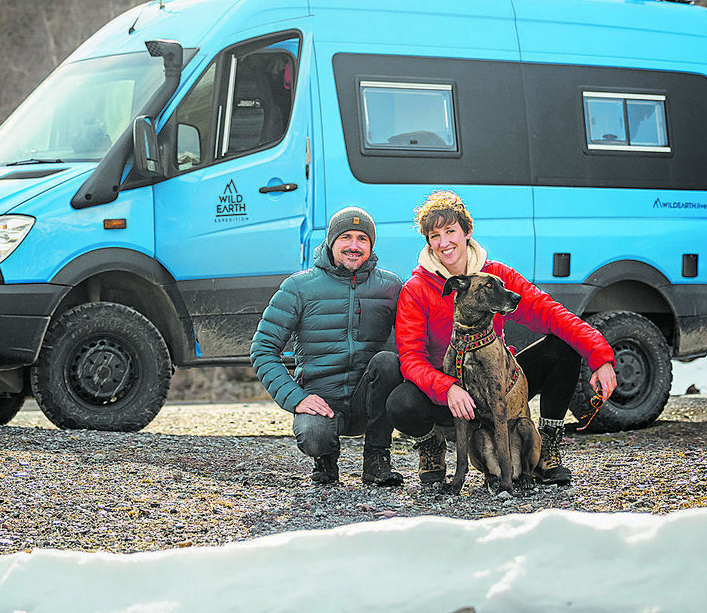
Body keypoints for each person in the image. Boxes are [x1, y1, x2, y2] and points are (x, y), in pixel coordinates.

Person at [391, 190, 620, 488]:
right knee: (401, 401)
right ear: (428, 241)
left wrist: (600, 357)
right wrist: (447, 388)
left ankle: (547, 447)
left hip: (499, 385)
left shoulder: (496, 276)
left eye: (450, 231)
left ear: (467, 232)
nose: (444, 242)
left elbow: (550, 313)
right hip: (453, 397)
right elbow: (411, 357)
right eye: (435, 235)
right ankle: (432, 447)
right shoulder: (417, 288)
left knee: (562, 345)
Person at [251, 206, 405, 486]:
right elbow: (262, 349)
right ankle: (325, 459)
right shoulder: (299, 287)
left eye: (362, 239)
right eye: (346, 237)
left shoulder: (390, 287)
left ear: (371, 245)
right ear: (332, 241)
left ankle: (377, 459)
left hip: (367, 400)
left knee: (389, 361)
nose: (354, 246)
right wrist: (296, 398)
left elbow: (415, 339)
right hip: (321, 400)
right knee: (313, 436)